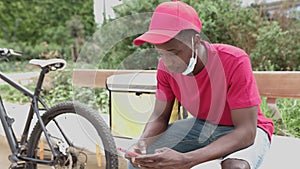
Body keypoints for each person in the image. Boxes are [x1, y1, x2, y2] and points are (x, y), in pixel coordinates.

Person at [127, 1, 274, 169]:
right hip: (202, 126)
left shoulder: (234, 61)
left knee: (235, 167)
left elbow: (246, 132)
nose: (168, 62)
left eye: (174, 53)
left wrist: (188, 159)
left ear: (195, 41)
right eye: (161, 53)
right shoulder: (165, 68)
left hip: (243, 129)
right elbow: (160, 116)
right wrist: (142, 143)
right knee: (142, 159)